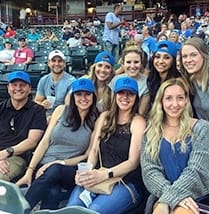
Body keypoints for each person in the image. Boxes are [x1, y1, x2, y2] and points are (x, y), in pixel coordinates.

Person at [67, 76, 147, 214]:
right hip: (97, 174)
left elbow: (133, 162)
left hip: (125, 181)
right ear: (115, 95)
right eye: (121, 93)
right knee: (72, 208)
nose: (125, 97)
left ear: (136, 98)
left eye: (130, 94)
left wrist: (104, 175)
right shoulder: (105, 117)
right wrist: (86, 173)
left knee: (94, 211)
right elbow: (94, 151)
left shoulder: (138, 122)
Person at [16, 78, 99, 210]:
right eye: (79, 94)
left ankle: (19, 210)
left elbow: (87, 154)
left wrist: (58, 163)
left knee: (55, 170)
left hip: (68, 168)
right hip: (44, 166)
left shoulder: (96, 119)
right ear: (73, 97)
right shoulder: (61, 110)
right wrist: (30, 170)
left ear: (93, 97)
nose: (83, 98)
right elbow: (44, 142)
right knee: (52, 193)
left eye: (87, 94)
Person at [141, 78, 209, 214]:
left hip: (199, 196)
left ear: (186, 100)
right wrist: (171, 197)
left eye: (180, 98)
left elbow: (196, 169)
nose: (174, 104)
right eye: (169, 98)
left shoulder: (201, 128)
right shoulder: (151, 132)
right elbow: (149, 170)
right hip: (163, 193)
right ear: (161, 101)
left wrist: (169, 198)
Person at [0, 71, 47, 181]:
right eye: (14, 85)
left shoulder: (37, 110)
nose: (18, 88)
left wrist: (5, 153)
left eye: (22, 85)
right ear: (8, 87)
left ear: (29, 88)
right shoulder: (1, 107)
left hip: (17, 156)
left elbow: (31, 142)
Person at [180, 37, 209, 138]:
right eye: (184, 56)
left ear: (204, 56)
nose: (188, 60)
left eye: (193, 55)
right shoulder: (189, 82)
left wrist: (202, 139)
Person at [34, 50, 76, 121]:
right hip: (45, 114)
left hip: (63, 116)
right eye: (53, 61)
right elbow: (37, 100)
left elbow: (68, 107)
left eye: (60, 61)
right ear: (49, 63)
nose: (57, 64)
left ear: (64, 64)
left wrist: (53, 118)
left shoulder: (71, 81)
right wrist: (42, 104)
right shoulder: (43, 80)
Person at [109, 47, 150, 116]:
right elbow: (112, 107)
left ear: (141, 63)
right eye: (128, 62)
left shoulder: (147, 82)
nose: (132, 66)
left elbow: (141, 112)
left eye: (136, 62)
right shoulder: (116, 80)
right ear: (123, 63)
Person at [147, 40, 181, 107]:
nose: (161, 61)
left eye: (166, 58)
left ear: (173, 61)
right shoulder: (152, 79)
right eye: (157, 57)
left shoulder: (178, 82)